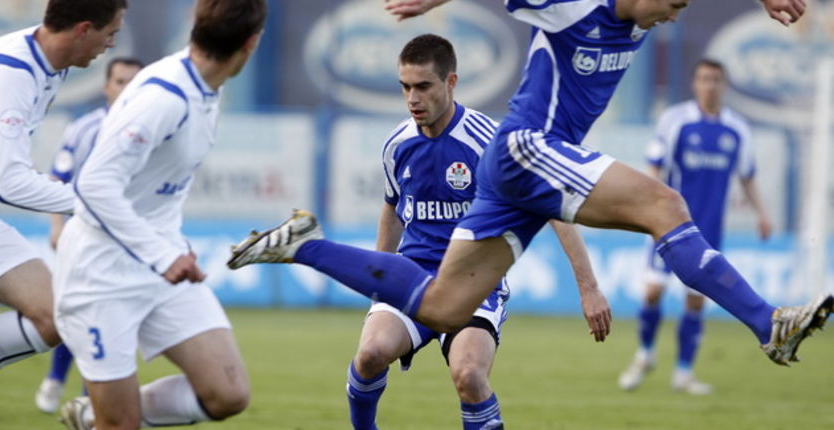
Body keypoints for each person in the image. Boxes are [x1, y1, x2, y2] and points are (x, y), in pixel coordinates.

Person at [229, 0, 831, 370]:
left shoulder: (644, 14)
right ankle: (767, 323)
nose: (674, 16)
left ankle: (301, 245)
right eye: (672, 5)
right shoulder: (574, 5)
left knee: (443, 307)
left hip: (512, 172)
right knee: (664, 203)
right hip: (527, 147)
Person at [345, 34, 602, 430]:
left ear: (450, 83)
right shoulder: (397, 145)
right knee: (371, 353)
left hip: (472, 284)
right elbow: (391, 211)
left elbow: (555, 211)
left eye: (424, 86)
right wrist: (382, 284)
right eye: (405, 87)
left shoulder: (490, 143)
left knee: (468, 375)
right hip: (413, 276)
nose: (413, 98)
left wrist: (588, 288)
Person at [55, 1, 265, 429]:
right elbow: (94, 184)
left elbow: (160, 181)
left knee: (228, 393)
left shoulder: (209, 86)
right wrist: (162, 253)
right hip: (101, 274)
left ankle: (94, 416)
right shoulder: (163, 97)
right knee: (122, 425)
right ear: (251, 42)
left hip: (159, 264)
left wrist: (169, 243)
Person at [0, 0, 125, 379]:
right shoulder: (11, 70)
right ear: (83, 29)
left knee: (58, 314)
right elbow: (8, 183)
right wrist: (98, 204)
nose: (111, 46)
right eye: (111, 34)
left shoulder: (49, 67)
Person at [618, 59, 773, 395]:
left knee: (696, 301)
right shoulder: (676, 121)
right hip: (669, 227)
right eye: (704, 79)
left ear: (724, 84)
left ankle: (684, 373)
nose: (710, 85)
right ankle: (644, 354)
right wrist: (647, 211)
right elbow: (654, 168)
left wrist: (762, 213)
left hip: (710, 230)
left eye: (716, 79)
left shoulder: (737, 129)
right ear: (694, 83)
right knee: (653, 292)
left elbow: (747, 175)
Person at [34, 56, 143, 414]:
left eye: (134, 81)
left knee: (112, 323)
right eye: (120, 80)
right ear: (106, 85)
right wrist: (56, 226)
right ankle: (57, 379)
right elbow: (59, 179)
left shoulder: (153, 130)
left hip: (129, 245)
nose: (127, 88)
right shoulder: (85, 130)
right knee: (80, 315)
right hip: (85, 240)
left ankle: (86, 402)